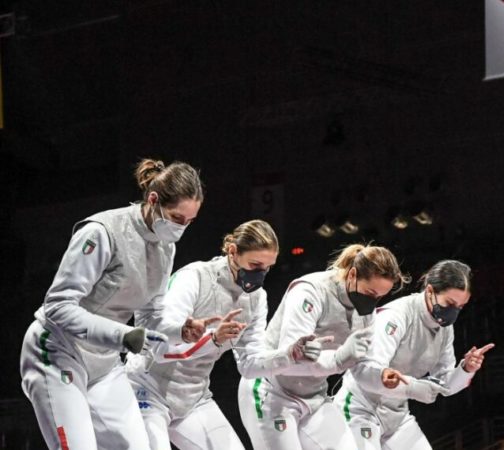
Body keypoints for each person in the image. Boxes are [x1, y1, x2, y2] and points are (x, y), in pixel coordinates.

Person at [19, 158, 204, 450]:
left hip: (104, 362)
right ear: (153, 200)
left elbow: (149, 317)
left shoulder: (166, 248)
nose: (182, 228)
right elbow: (57, 306)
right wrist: (122, 336)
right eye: (176, 218)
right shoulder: (102, 231)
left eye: (189, 222)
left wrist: (180, 331)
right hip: (57, 351)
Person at [126, 219, 320, 450]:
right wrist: (212, 339)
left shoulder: (257, 299)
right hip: (147, 390)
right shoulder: (194, 277)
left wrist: (289, 355)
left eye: (267, 268)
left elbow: (250, 365)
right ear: (233, 251)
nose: (260, 274)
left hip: (194, 398)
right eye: (255, 265)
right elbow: (159, 348)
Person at [238, 243, 409, 450]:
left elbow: (362, 365)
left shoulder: (366, 313)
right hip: (271, 390)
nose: (373, 301)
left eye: (379, 296)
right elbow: (289, 361)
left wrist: (380, 375)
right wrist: (338, 358)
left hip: (315, 397)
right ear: (353, 274)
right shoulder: (310, 291)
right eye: (370, 292)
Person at [335, 260, 494, 450]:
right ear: (429, 291)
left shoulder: (445, 329)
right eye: (450, 303)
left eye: (460, 307)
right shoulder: (396, 316)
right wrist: (414, 387)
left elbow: (444, 385)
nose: (453, 312)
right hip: (359, 408)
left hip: (397, 415)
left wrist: (466, 369)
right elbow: (368, 373)